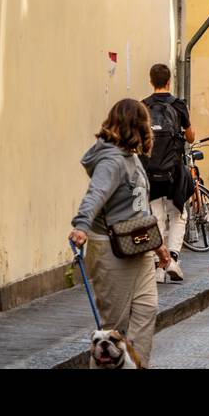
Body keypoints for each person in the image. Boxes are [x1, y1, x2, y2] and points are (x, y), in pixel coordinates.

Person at [69, 99, 172, 367]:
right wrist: (81, 225)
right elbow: (96, 194)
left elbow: (140, 206)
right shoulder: (112, 161)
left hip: (139, 247)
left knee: (147, 310)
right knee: (112, 329)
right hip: (113, 251)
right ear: (136, 125)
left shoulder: (131, 157)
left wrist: (158, 244)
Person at [141, 64, 194, 284]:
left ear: (151, 81)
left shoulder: (143, 106)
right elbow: (190, 137)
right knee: (178, 214)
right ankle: (171, 259)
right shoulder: (179, 105)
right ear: (169, 81)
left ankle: (157, 266)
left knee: (156, 217)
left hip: (150, 170)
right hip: (174, 170)